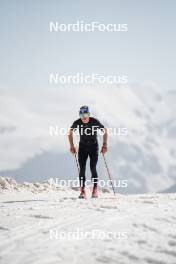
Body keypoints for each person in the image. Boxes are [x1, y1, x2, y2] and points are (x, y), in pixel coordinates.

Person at [68, 106, 108, 198]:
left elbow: (105, 131)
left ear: (89, 114)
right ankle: (82, 191)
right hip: (82, 147)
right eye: (81, 115)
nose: (84, 117)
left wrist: (104, 145)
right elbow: (70, 133)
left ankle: (95, 190)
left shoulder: (94, 121)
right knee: (82, 168)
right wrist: (71, 146)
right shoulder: (77, 122)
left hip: (94, 147)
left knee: (93, 167)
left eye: (85, 114)